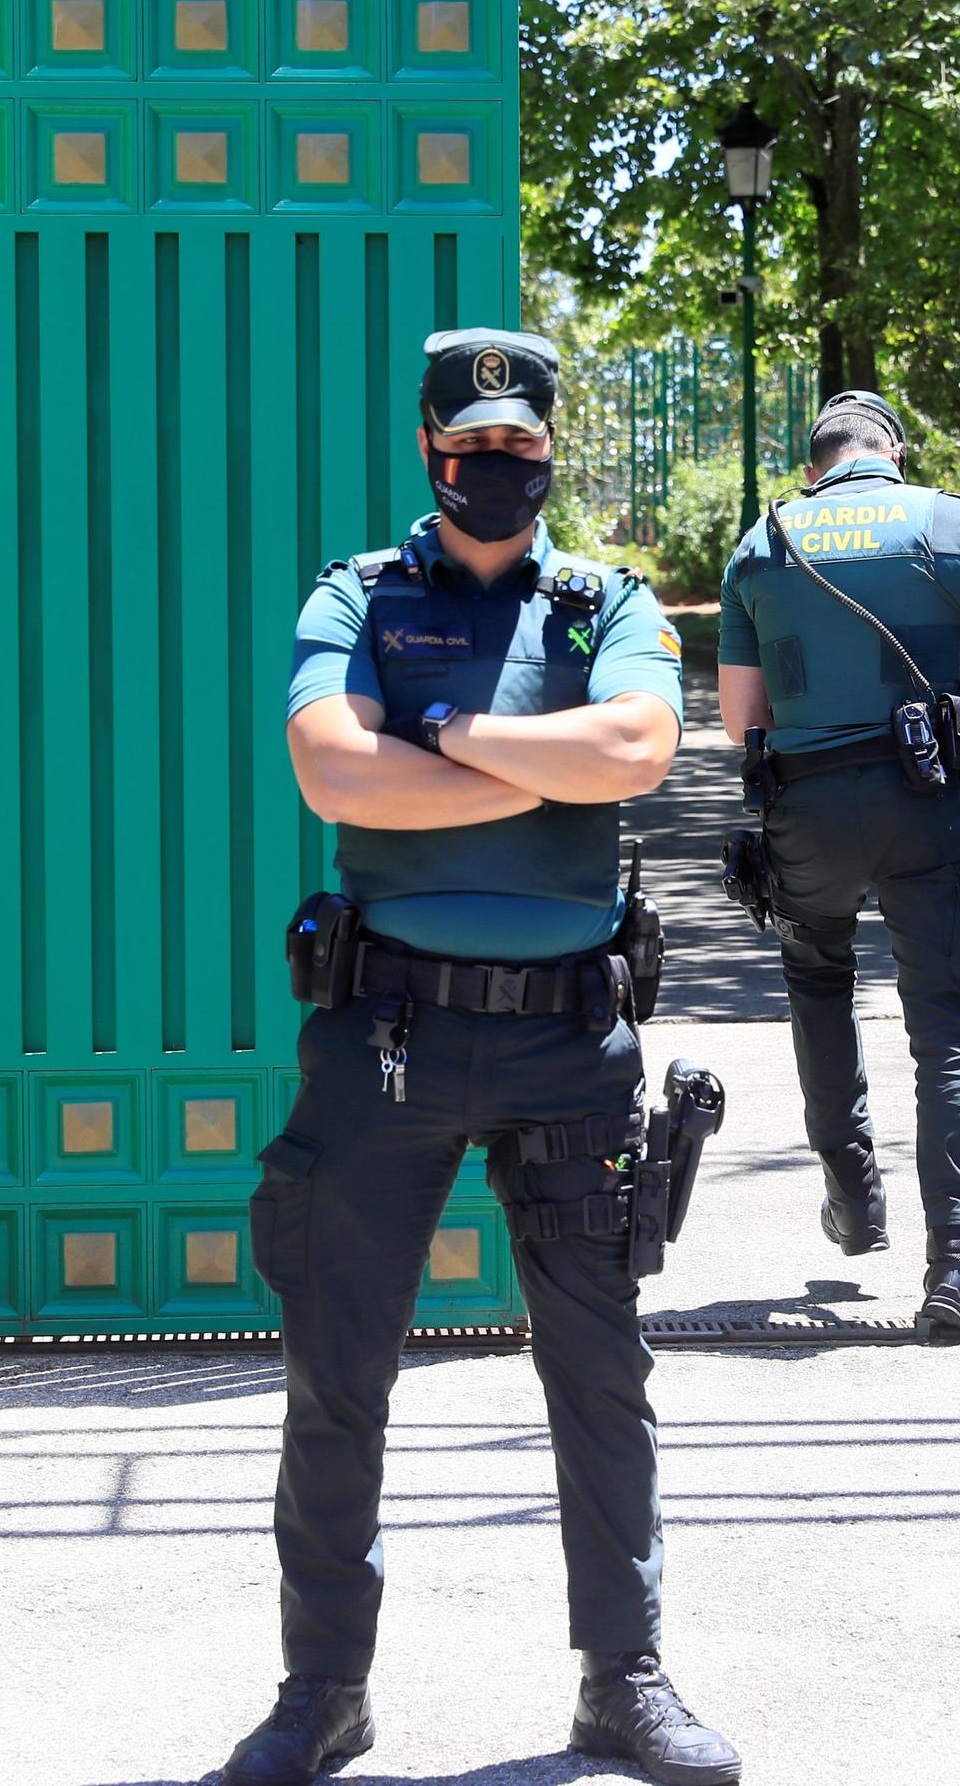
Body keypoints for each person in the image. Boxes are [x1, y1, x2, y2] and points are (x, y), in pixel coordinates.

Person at [223, 329, 740, 1786]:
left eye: (522, 450)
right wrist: (529, 755)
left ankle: (622, 1682)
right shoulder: (360, 593)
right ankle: (322, 1690)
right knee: (337, 1377)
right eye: (473, 448)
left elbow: (640, 752)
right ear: (428, 449)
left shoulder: (607, 602)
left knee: (600, 1370)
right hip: (383, 1040)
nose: (498, 470)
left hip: (571, 1045)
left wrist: (440, 734)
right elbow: (330, 767)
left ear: (549, 456)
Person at [715, 391, 960, 1339]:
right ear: (893, 454)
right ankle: (958, 1267)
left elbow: (740, 723)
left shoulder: (765, 541)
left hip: (809, 809)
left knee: (818, 981)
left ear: (817, 461)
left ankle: (853, 1196)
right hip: (929, 804)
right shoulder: (952, 524)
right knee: (943, 1028)